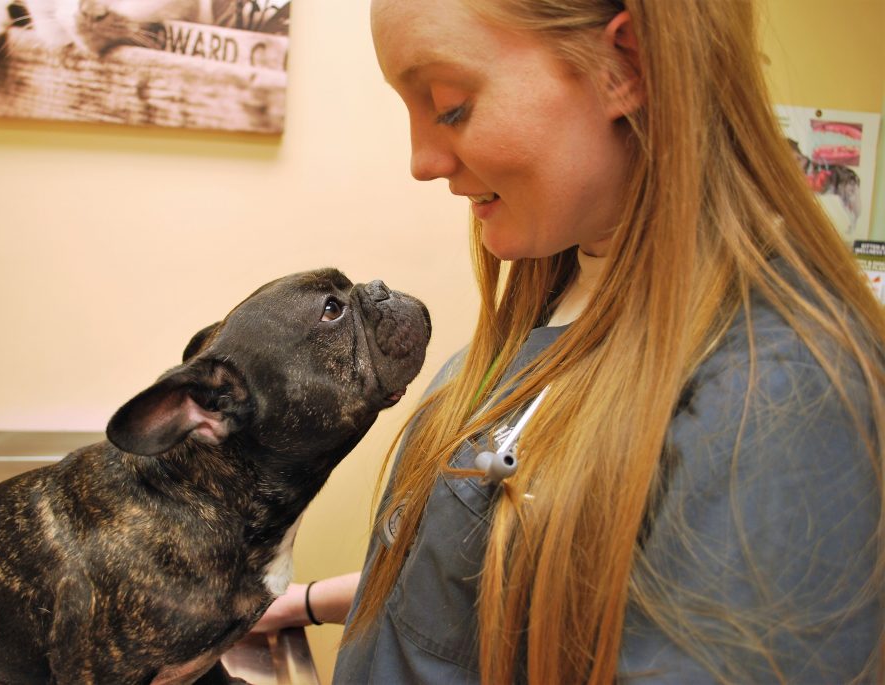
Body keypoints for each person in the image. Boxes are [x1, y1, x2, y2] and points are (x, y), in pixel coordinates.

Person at [255, 0, 885, 683]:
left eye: (451, 106)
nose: (423, 161)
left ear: (625, 66)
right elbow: (484, 578)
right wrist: (305, 603)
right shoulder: (555, 290)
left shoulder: (781, 398)